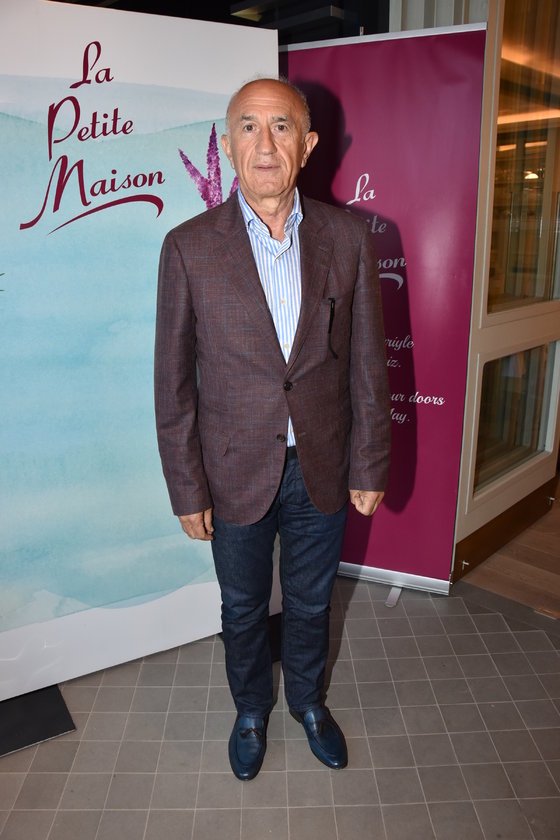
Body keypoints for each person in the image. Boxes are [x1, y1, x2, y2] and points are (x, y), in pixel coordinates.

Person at [154, 77, 390, 781]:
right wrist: (186, 488)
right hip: (232, 470)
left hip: (322, 463)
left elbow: (368, 363)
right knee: (243, 606)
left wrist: (370, 463)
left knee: (313, 603)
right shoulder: (188, 247)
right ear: (228, 146)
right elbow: (173, 384)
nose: (265, 143)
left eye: (281, 127)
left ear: (307, 146)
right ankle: (251, 709)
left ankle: (308, 703)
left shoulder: (348, 238)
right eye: (248, 127)